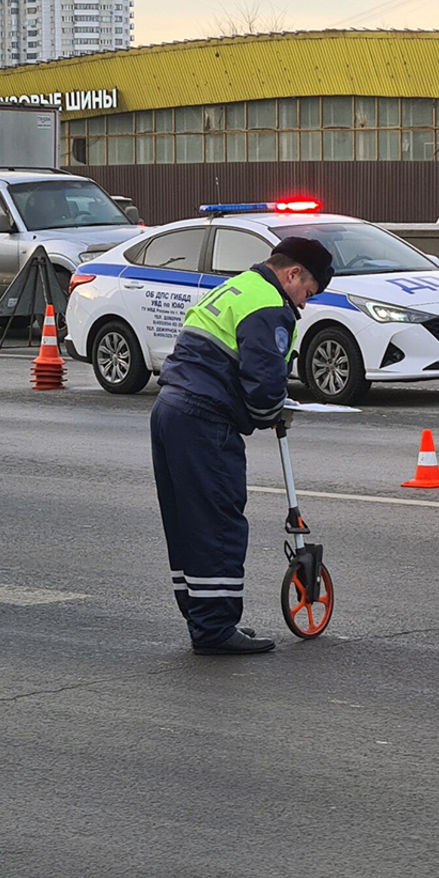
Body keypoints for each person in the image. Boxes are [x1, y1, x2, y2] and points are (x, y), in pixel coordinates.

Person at [149, 236, 335, 655]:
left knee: (186, 526)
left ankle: (204, 620)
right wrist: (270, 413)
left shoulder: (236, 288)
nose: (304, 304)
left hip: (170, 410)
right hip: (203, 419)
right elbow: (265, 381)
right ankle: (215, 629)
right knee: (218, 525)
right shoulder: (269, 306)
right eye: (307, 292)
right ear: (292, 275)